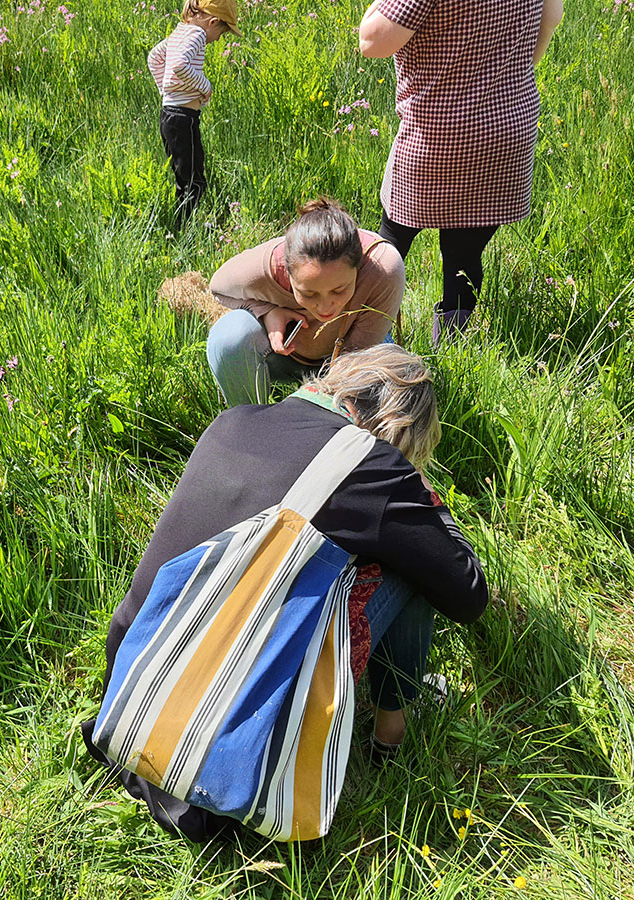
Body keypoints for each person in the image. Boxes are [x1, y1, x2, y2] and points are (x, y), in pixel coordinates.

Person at [82, 344, 487, 841]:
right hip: (231, 783)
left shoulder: (234, 420)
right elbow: (467, 593)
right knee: (411, 566)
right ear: (397, 425)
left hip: (130, 720)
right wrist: (424, 496)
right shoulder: (374, 465)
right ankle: (391, 733)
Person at [359, 0, 564, 345]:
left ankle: (368, 341)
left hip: (438, 134)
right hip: (508, 128)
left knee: (391, 242)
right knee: (465, 253)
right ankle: (451, 347)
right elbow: (550, 20)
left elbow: (373, 41)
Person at [207, 198, 405, 406]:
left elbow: (355, 364)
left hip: (357, 352)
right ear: (287, 270)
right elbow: (217, 287)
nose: (325, 307)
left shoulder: (383, 268)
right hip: (285, 357)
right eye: (309, 294)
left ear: (358, 267)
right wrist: (266, 312)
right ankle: (251, 424)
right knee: (229, 337)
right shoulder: (266, 267)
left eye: (339, 290)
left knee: (391, 399)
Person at [147, 0, 240, 225]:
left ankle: (187, 225)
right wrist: (205, 86)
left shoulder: (180, 32)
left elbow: (154, 58)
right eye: (221, 32)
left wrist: (166, 91)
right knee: (193, 180)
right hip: (182, 118)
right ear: (213, 21)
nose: (218, 39)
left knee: (188, 175)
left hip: (172, 116)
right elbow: (179, 65)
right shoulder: (197, 34)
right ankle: (185, 229)